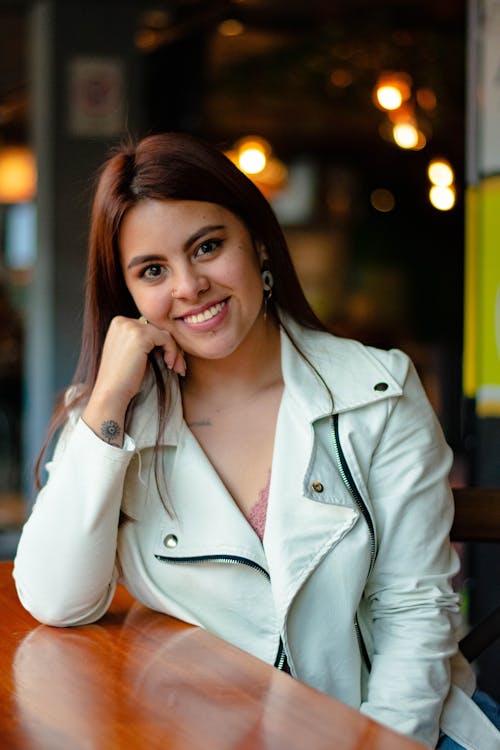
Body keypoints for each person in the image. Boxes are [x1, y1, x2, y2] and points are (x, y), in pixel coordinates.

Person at [13, 133, 500, 749]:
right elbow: (58, 600)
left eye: (208, 247)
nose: (189, 286)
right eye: (153, 270)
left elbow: (414, 615)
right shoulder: (116, 420)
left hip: (392, 727)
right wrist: (107, 399)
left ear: (260, 244)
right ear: (130, 296)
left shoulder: (376, 391)